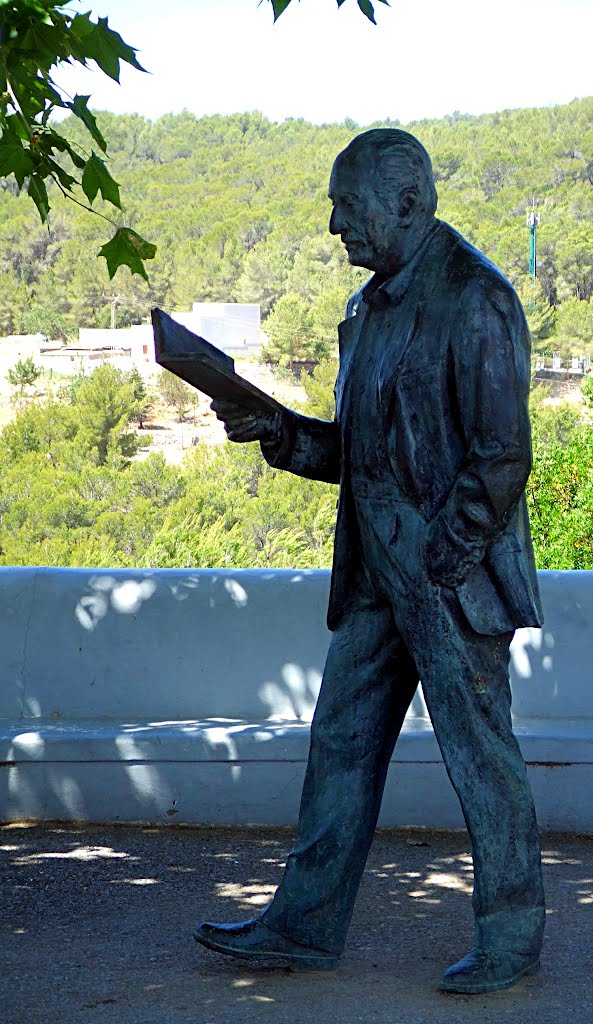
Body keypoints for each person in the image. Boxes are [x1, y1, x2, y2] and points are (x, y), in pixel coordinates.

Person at [196, 128, 545, 995]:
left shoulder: (477, 299)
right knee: (340, 746)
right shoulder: (367, 311)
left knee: (480, 756)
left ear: (405, 201)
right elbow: (360, 453)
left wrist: (443, 558)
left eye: (345, 207)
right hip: (374, 577)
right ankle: (303, 925)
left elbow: (502, 456)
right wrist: (278, 429)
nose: (332, 227)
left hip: (444, 576)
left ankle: (512, 936)